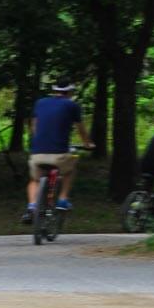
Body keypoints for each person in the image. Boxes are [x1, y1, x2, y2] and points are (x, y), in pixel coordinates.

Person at [21, 77, 94, 223]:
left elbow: (34, 126)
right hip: (59, 154)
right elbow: (81, 130)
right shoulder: (72, 106)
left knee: (34, 180)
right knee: (70, 169)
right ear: (70, 92)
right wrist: (88, 144)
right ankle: (62, 199)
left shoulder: (40, 103)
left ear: (54, 90)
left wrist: (39, 140)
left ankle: (32, 206)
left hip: (38, 153)